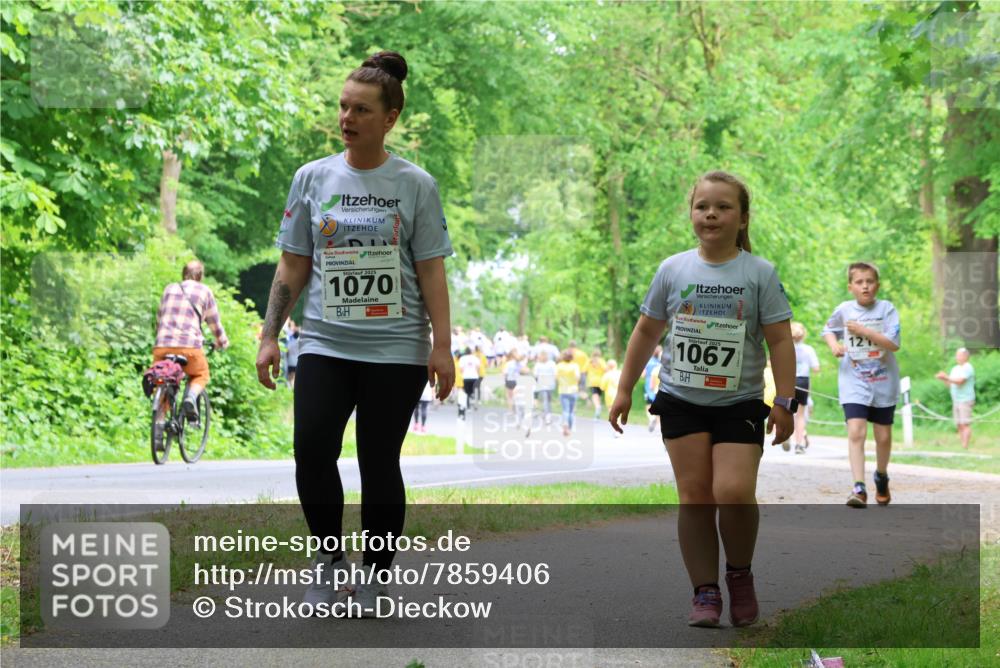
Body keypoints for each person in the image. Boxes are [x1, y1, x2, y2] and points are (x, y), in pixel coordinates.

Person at [256, 51, 455, 617]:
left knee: (377, 461)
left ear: (389, 118)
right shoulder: (312, 178)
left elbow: (431, 270)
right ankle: (327, 564)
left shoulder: (415, 185)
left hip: (396, 348)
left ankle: (375, 577)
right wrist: (270, 335)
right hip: (324, 341)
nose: (347, 117)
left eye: (361, 109)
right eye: (343, 106)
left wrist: (441, 345)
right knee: (311, 450)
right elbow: (293, 263)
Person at [609, 171, 794, 629]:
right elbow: (647, 331)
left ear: (742, 217)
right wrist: (623, 387)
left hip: (739, 402)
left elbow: (780, 341)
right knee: (694, 497)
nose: (711, 214)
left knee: (731, 492)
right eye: (702, 206)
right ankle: (705, 591)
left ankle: (740, 573)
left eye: (723, 207)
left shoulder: (759, 273)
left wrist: (785, 400)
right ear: (692, 213)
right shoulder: (673, 269)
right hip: (681, 399)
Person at [822, 261, 900, 509]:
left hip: (883, 380)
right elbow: (828, 329)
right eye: (859, 282)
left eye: (869, 281)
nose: (865, 286)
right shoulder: (844, 309)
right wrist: (834, 345)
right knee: (856, 431)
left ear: (877, 285)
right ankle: (859, 487)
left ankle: (881, 475)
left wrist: (864, 331)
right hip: (853, 380)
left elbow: (893, 343)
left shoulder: (887, 309)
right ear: (850, 286)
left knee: (883, 436)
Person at [152, 260, 230, 445]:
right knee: (200, 374)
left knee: (165, 379)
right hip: (190, 347)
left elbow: (159, 318)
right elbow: (214, 323)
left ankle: (158, 429)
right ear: (200, 275)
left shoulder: (169, 289)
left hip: (162, 345)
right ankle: (190, 398)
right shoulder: (204, 291)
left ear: (183, 273)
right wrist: (222, 342)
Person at [936, 347, 975, 449]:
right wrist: (943, 379)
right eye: (957, 355)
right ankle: (963, 444)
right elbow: (951, 384)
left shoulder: (968, 367)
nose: (957, 357)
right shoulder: (955, 369)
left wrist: (946, 377)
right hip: (956, 400)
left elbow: (960, 381)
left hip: (965, 399)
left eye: (960, 355)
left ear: (966, 356)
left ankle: (965, 446)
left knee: (965, 423)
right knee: (958, 424)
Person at [791, 322, 820, 454]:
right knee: (800, 415)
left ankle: (784, 437)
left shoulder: (786, 347)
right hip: (803, 381)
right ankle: (798, 444)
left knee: (787, 410)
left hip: (788, 380)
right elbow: (816, 368)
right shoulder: (809, 349)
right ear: (803, 335)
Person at [556, 350, 581, 436]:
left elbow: (556, 377)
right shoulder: (575, 366)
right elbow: (577, 377)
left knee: (565, 410)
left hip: (563, 390)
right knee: (571, 411)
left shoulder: (559, 366)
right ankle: (569, 428)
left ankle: (565, 423)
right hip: (573, 390)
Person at [642, 345, 663, 433]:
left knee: (648, 405)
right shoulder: (661, 363)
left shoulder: (648, 362)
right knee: (659, 406)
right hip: (659, 386)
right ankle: (658, 425)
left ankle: (652, 418)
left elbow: (643, 374)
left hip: (649, 386)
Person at [533, 351, 557, 423]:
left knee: (545, 400)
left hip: (542, 384)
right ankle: (548, 414)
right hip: (550, 384)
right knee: (548, 400)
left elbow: (535, 375)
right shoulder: (552, 363)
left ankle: (547, 414)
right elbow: (555, 374)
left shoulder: (538, 364)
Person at [457, 347, 480, 416]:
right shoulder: (475, 358)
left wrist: (463, 373)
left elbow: (461, 368)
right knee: (474, 390)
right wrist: (476, 372)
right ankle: (474, 399)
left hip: (466, 377)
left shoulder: (462, 358)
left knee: (466, 392)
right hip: (474, 376)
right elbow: (478, 367)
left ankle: (468, 406)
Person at [588, 349, 607, 419]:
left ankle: (597, 407)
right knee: (598, 395)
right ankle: (598, 410)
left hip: (593, 381)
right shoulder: (602, 361)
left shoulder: (590, 361)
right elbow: (606, 369)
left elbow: (584, 370)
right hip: (601, 381)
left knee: (594, 396)